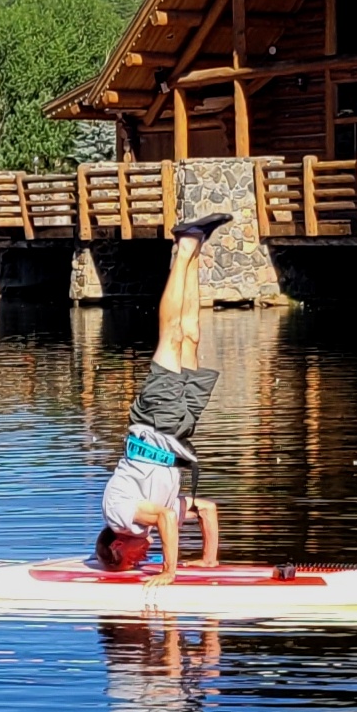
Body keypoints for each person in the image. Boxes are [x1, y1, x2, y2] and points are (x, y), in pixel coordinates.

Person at [96, 212, 233, 587]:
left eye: (134, 563)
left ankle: (184, 247)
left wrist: (169, 572)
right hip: (178, 430)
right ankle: (195, 245)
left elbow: (166, 520)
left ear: (119, 549)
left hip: (155, 422)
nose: (143, 559)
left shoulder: (119, 518)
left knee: (171, 334)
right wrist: (208, 560)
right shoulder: (147, 515)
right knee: (191, 335)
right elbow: (207, 510)